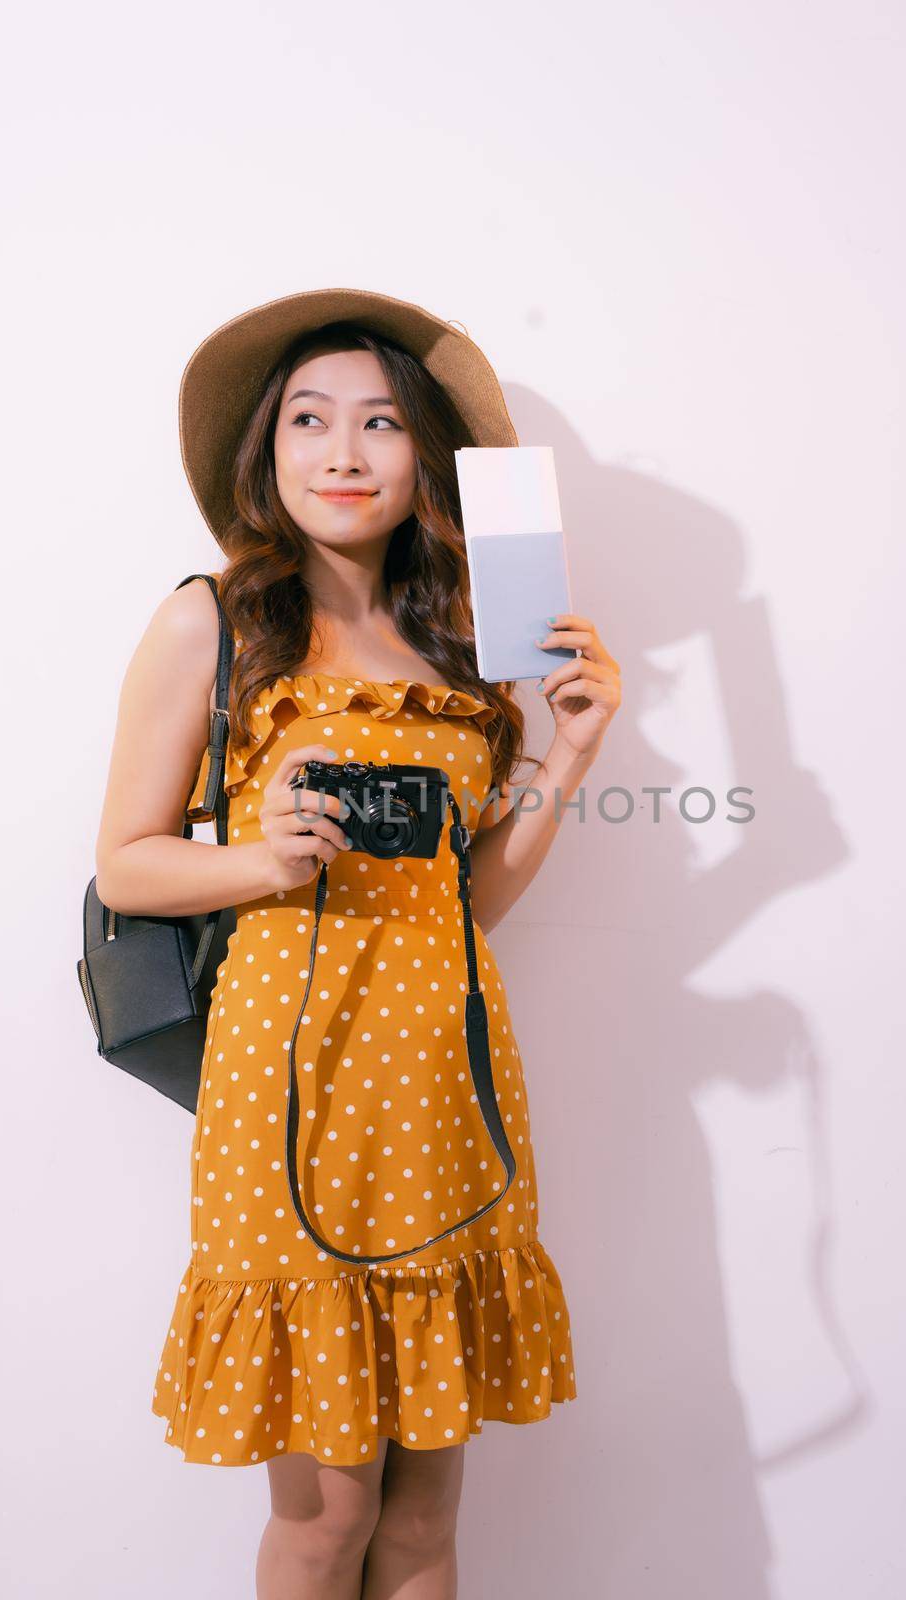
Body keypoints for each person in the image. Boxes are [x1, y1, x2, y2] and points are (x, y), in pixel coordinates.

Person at [94, 288, 622, 1599]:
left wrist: (575, 749)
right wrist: (264, 859)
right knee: (326, 1520)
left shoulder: (465, 652)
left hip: (449, 1084)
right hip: (289, 1091)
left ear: (423, 455)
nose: (343, 452)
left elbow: (470, 898)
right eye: (309, 421)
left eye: (380, 422)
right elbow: (125, 862)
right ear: (265, 455)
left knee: (429, 1525)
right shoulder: (211, 624)